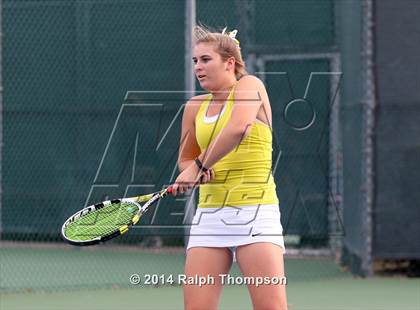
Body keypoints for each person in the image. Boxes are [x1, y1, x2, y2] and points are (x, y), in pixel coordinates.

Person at [171, 26, 288, 310]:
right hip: (209, 217)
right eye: (195, 61)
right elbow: (186, 158)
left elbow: (238, 127)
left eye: (206, 59)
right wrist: (194, 170)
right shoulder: (194, 107)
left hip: (256, 214)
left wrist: (200, 164)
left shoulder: (251, 86)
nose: (198, 67)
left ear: (229, 63)